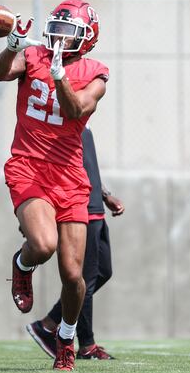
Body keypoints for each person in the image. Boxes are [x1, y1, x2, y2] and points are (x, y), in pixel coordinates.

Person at [0, 0, 108, 372]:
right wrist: (12, 45)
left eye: (68, 32)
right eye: (55, 29)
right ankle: (22, 264)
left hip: (70, 175)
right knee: (43, 244)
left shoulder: (96, 72)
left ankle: (66, 338)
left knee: (74, 276)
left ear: (87, 38)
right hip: (29, 165)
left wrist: (59, 76)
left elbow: (76, 111)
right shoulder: (35, 55)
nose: (58, 37)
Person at [26, 127, 124, 360]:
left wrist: (105, 194)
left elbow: (86, 166)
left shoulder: (83, 120)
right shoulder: (60, 120)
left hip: (95, 206)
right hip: (78, 208)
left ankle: (48, 324)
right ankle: (87, 345)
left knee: (103, 272)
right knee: (84, 279)